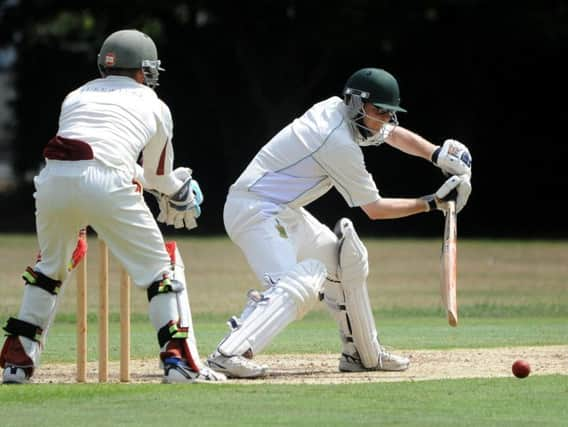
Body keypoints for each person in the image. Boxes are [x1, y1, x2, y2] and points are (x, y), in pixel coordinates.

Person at [205, 67, 472, 378]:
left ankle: (361, 353)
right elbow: (374, 209)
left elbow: (393, 134)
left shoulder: (343, 111)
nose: (385, 120)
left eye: (389, 113)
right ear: (357, 104)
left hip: (284, 211)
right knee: (302, 283)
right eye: (380, 112)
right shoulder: (336, 141)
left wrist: (437, 155)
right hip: (254, 211)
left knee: (346, 262)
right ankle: (228, 353)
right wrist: (432, 203)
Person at [0, 29, 226, 384]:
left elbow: (95, 152)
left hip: (53, 179)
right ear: (145, 70)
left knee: (50, 268)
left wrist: (152, 180)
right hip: (108, 184)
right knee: (159, 270)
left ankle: (18, 361)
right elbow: (158, 175)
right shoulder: (155, 106)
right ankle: (178, 363)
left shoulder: (76, 95)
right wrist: (180, 187)